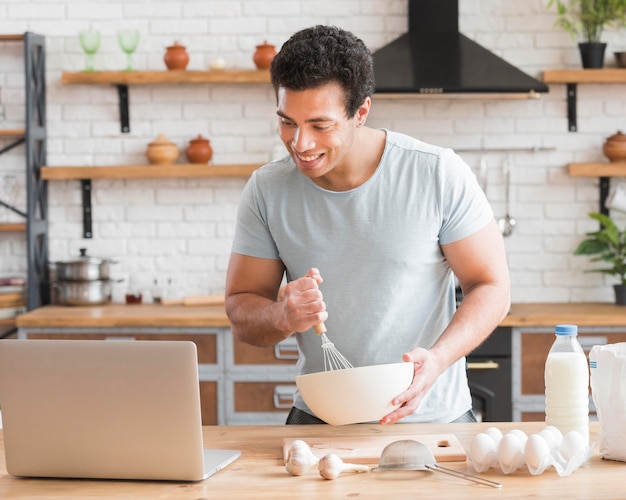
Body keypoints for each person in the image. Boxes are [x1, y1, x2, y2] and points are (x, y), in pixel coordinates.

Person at [225, 25, 510, 425]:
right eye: (288, 122)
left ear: (361, 113)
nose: (300, 143)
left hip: (433, 422)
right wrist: (282, 316)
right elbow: (241, 310)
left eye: (319, 125)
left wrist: (438, 359)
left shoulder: (436, 172)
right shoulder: (268, 189)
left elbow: (492, 286)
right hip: (319, 423)